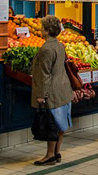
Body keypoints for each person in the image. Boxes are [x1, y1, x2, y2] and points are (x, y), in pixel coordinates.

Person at [31, 16, 74, 165]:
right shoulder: (60, 45)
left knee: (52, 124)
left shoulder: (46, 48)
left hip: (52, 92)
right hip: (63, 89)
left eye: (42, 27)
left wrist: (41, 95)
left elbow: (44, 74)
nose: (40, 29)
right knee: (60, 124)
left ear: (47, 30)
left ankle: (50, 155)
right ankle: (57, 153)